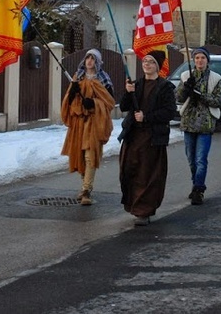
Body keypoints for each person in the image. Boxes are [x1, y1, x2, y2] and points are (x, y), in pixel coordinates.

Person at [118, 50, 177, 226]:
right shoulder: (136, 84)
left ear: (157, 66)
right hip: (133, 136)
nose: (147, 64)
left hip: (152, 138)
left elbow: (169, 112)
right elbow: (124, 107)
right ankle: (132, 204)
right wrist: (128, 93)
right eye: (145, 61)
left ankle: (144, 210)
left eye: (151, 62)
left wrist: (147, 117)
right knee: (129, 170)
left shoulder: (165, 87)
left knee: (147, 174)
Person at [60, 49, 115, 206]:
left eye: (93, 58)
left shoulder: (103, 79)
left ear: (97, 62)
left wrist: (94, 103)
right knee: (79, 156)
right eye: (87, 58)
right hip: (79, 123)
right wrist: (73, 92)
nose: (89, 61)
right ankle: (84, 183)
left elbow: (109, 102)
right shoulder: (78, 77)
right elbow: (68, 101)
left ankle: (86, 190)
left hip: (94, 122)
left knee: (90, 156)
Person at [175, 47, 221, 205]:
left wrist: (201, 96)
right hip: (189, 123)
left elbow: (220, 101)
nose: (199, 61)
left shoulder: (215, 78)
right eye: (196, 58)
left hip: (205, 124)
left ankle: (199, 189)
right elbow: (178, 97)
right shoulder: (186, 76)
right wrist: (186, 88)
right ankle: (195, 183)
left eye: (202, 58)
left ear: (207, 60)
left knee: (200, 159)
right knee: (191, 159)